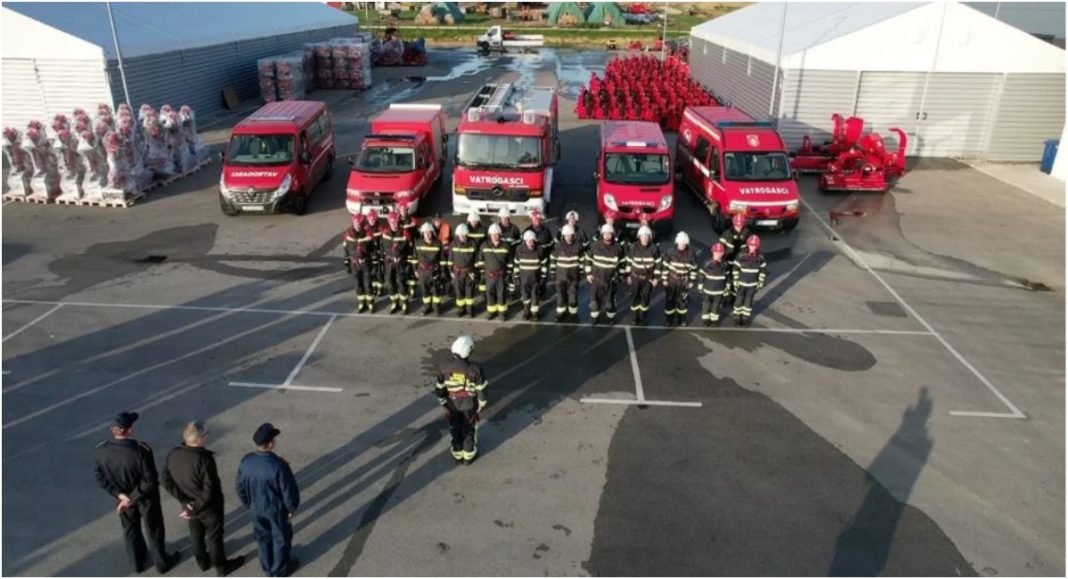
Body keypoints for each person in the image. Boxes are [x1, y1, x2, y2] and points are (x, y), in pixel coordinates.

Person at [94, 411, 180, 575]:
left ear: (113, 431)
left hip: (122, 499)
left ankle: (137, 563)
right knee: (153, 528)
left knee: (130, 529)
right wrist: (132, 498)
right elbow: (150, 479)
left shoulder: (102, 450)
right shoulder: (141, 451)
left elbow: (100, 477)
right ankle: (161, 562)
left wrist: (120, 496)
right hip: (145, 498)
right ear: (130, 430)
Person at [162, 421, 245, 577]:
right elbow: (209, 489)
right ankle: (221, 567)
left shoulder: (173, 453)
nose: (207, 437)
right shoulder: (204, 460)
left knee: (196, 534)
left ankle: (203, 562)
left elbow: (165, 480)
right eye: (206, 435)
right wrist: (194, 505)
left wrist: (186, 503)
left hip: (190, 506)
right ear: (199, 439)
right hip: (209, 507)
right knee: (214, 537)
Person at [236, 424, 300, 578]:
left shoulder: (246, 462)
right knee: (280, 539)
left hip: (256, 508)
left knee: (262, 537)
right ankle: (278, 570)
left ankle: (267, 566)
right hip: (275, 509)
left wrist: (248, 504)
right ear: (271, 443)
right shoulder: (279, 466)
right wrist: (291, 509)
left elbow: (240, 487)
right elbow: (288, 492)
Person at [435, 335, 487, 465]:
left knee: (455, 427)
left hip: (452, 404)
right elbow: (481, 388)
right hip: (469, 405)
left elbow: (439, 387)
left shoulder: (444, 367)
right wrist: (482, 402)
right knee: (469, 428)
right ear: (468, 351)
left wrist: (443, 401)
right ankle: (468, 456)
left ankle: (457, 454)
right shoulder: (475, 369)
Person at [587, 223, 625, 324]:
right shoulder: (595, 246)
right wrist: (588, 274)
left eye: (610, 234)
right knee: (595, 301)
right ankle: (595, 317)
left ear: (613, 235)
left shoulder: (618, 248)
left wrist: (620, 276)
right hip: (597, 280)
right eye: (605, 233)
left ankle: (611, 318)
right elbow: (588, 259)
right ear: (602, 234)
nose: (607, 236)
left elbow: (622, 263)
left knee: (609, 302)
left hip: (611, 281)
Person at [475, 223, 513, 320]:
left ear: (500, 234)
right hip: (489, 276)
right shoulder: (484, 246)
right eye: (493, 234)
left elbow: (510, 262)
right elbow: (479, 261)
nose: (495, 236)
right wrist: (483, 273)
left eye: (497, 234)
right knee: (490, 294)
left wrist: (508, 274)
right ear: (490, 235)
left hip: (501, 276)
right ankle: (491, 312)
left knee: (501, 294)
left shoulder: (505, 246)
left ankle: (502, 313)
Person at [625, 225, 661, 324]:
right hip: (635, 277)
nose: (645, 238)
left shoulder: (654, 248)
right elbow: (628, 262)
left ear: (649, 237)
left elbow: (658, 263)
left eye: (646, 236)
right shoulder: (633, 247)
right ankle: (634, 316)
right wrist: (628, 276)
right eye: (643, 236)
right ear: (639, 236)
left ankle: (642, 314)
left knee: (645, 297)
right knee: (635, 297)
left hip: (648, 279)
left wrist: (656, 278)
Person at [661, 231, 698, 326]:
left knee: (682, 302)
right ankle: (669, 320)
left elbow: (694, 269)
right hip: (672, 281)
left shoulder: (691, 254)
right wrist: (664, 279)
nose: (682, 245)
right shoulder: (670, 252)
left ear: (686, 243)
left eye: (684, 243)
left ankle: (682, 320)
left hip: (683, 282)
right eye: (680, 243)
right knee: (670, 301)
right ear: (677, 242)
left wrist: (691, 281)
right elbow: (664, 267)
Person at [550, 224, 585, 321]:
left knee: (573, 296)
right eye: (567, 235)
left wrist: (581, 272)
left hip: (573, 277)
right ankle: (561, 313)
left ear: (573, 236)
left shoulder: (578, 246)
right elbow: (553, 258)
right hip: (561, 277)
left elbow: (582, 259)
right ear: (563, 236)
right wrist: (552, 272)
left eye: (571, 235)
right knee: (561, 296)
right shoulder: (558, 246)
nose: (569, 237)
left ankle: (573, 315)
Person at [343, 212, 377, 313]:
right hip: (354, 264)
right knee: (358, 284)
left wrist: (374, 263)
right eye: (355, 223)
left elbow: (373, 249)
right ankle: (362, 302)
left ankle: (370, 302)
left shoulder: (368, 234)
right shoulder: (348, 235)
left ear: (362, 224)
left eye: (359, 223)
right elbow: (346, 249)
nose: (357, 225)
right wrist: (346, 262)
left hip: (366, 263)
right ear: (353, 223)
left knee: (368, 284)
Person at [731, 235, 768, 326]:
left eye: (754, 246)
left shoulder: (760, 257)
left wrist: (761, 282)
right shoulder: (741, 254)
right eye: (751, 245)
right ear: (748, 245)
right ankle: (737, 316)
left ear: (757, 246)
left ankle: (745, 317)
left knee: (748, 301)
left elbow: (763, 270)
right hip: (741, 283)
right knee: (739, 300)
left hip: (752, 284)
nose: (752, 247)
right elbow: (735, 268)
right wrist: (735, 280)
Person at [380, 210, 413, 314]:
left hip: (401, 264)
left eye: (395, 222)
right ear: (389, 222)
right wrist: (383, 260)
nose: (393, 224)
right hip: (389, 264)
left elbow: (410, 250)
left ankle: (404, 303)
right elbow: (383, 248)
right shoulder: (385, 233)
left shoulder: (405, 233)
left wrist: (407, 262)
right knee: (391, 283)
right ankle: (395, 302)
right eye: (391, 222)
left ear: (398, 221)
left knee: (401, 283)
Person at [445, 224, 478, 318]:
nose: (463, 237)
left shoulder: (472, 243)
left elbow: (476, 259)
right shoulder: (453, 244)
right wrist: (451, 271)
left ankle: (470, 310)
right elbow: (450, 259)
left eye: (465, 235)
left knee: (470, 292)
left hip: (469, 272)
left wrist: (475, 272)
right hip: (457, 272)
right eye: (461, 235)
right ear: (458, 235)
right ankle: (461, 309)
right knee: (459, 292)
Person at [411, 222, 445, 315]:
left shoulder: (438, 243)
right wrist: (415, 270)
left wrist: (442, 272)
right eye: (425, 233)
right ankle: (427, 307)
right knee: (425, 290)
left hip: (434, 271)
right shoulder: (418, 243)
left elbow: (442, 259)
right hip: (422, 271)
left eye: (429, 232)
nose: (428, 235)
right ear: (422, 234)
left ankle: (437, 307)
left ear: (432, 233)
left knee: (436, 290)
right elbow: (414, 258)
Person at [522, 208, 555, 297]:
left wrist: (549, 258)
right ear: (531, 220)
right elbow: (523, 247)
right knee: (532, 280)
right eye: (535, 219)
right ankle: (530, 295)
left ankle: (541, 294)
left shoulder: (546, 231)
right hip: (531, 261)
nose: (537, 221)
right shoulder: (527, 232)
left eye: (538, 219)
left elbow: (551, 245)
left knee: (543, 278)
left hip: (543, 260)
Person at [514, 230, 546, 320]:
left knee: (535, 297)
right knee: (525, 297)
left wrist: (543, 277)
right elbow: (516, 263)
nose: (531, 242)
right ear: (525, 241)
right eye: (529, 240)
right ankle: (526, 311)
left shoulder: (539, 250)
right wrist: (516, 276)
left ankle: (535, 313)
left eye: (532, 240)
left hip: (535, 280)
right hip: (524, 280)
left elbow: (544, 264)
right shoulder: (519, 250)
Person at [700, 243, 731, 326]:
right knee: (706, 305)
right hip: (707, 289)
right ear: (712, 252)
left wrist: (727, 288)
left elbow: (727, 277)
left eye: (719, 252)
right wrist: (700, 285)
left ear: (723, 253)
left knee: (716, 306)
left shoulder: (725, 265)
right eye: (716, 252)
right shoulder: (706, 263)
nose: (717, 254)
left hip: (719, 291)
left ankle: (714, 320)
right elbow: (701, 275)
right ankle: (706, 320)